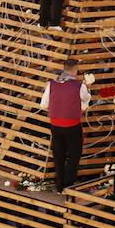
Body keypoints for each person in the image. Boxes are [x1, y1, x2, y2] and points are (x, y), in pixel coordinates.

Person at [39, 58, 91, 193]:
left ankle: (59, 186)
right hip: (72, 126)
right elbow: (86, 98)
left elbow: (43, 105)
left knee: (59, 155)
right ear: (75, 70)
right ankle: (68, 186)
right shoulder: (79, 85)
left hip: (55, 125)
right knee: (74, 156)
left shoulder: (51, 84)